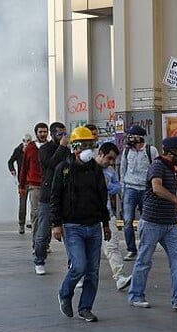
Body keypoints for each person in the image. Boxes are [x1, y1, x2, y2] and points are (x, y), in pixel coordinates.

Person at [127, 136, 177, 311]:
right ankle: (136, 295)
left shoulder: (169, 168)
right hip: (152, 222)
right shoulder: (158, 165)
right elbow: (157, 188)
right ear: (171, 151)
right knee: (144, 260)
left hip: (169, 224)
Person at [52, 126, 111, 322]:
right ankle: (65, 293)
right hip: (72, 226)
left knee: (93, 271)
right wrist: (56, 224)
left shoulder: (95, 169)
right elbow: (56, 197)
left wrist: (106, 223)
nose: (88, 149)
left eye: (91, 145)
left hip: (94, 226)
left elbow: (102, 197)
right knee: (78, 266)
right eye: (84, 145)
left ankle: (85, 307)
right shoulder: (64, 169)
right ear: (75, 147)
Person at [92, 141, 133, 291]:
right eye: (109, 158)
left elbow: (118, 186)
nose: (110, 162)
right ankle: (80, 277)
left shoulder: (110, 171)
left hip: (107, 214)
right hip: (88, 216)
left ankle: (119, 276)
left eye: (113, 160)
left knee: (112, 246)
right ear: (100, 154)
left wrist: (107, 186)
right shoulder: (88, 168)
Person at [33, 122, 69, 275]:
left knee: (70, 233)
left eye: (64, 134)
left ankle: (73, 264)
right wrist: (61, 147)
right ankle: (39, 260)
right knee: (43, 232)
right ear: (52, 134)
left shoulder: (67, 151)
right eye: (59, 134)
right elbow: (51, 164)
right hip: (48, 195)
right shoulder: (44, 149)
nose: (62, 137)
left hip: (65, 195)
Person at [119, 125, 159, 261]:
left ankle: (144, 248)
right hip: (130, 188)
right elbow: (123, 169)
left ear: (139, 137)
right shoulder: (126, 151)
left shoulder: (151, 150)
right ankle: (131, 249)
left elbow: (157, 168)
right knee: (127, 220)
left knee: (146, 221)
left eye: (132, 135)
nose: (129, 138)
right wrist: (122, 190)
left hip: (146, 189)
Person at [19, 122, 48, 249]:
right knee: (36, 214)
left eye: (45, 131)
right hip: (34, 185)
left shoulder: (51, 147)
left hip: (48, 185)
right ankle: (36, 243)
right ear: (36, 133)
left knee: (47, 214)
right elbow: (24, 167)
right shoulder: (30, 147)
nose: (43, 134)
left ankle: (45, 243)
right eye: (40, 132)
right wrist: (22, 186)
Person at [8, 133, 33, 234]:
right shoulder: (18, 150)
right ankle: (21, 224)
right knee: (22, 204)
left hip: (33, 180)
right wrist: (12, 170)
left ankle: (33, 222)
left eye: (28, 141)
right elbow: (10, 161)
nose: (26, 143)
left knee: (34, 203)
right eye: (25, 141)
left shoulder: (34, 149)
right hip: (23, 181)